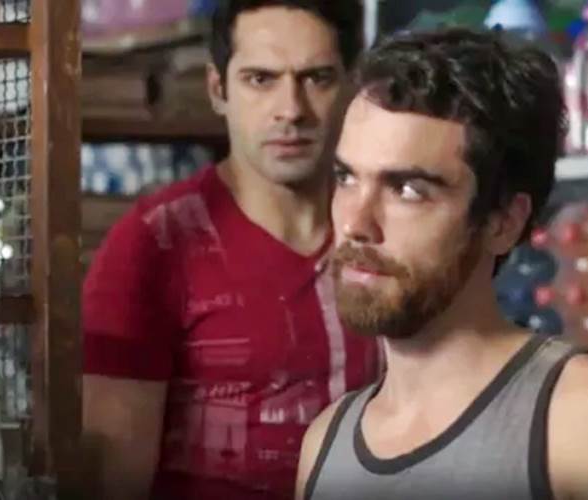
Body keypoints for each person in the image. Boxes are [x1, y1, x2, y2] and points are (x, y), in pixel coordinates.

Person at [296, 28, 588, 500]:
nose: (356, 223)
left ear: (504, 222)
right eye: (346, 178)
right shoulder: (325, 444)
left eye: (408, 190)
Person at [81, 1, 378, 499]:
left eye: (317, 78)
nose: (291, 110)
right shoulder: (154, 244)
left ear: (352, 86)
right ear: (218, 90)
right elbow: (111, 480)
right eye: (261, 79)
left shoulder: (384, 233)